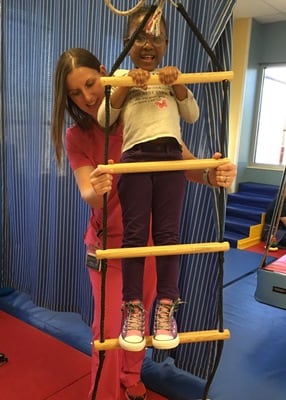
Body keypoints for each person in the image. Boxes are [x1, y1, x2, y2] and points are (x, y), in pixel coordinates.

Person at [51, 47, 236, 400]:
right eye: (76, 92)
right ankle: (104, 394)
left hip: (150, 246)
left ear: (104, 74)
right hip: (109, 250)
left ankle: (129, 378)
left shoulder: (143, 114)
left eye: (91, 84)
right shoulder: (77, 135)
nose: (88, 97)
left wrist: (215, 174)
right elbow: (87, 190)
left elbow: (187, 166)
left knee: (138, 319)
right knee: (107, 331)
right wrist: (99, 188)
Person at [97, 6, 200, 352]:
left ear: (166, 44)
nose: (147, 44)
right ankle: (133, 308)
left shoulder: (170, 79)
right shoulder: (123, 77)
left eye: (155, 38)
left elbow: (193, 115)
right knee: (136, 237)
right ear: (127, 43)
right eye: (139, 37)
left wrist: (179, 83)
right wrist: (126, 86)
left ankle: (166, 307)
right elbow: (104, 119)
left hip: (171, 160)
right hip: (136, 161)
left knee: (169, 235)